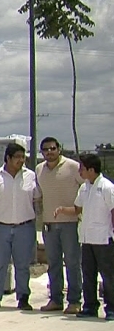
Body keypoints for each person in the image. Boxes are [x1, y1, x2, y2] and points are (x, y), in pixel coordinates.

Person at [0, 142, 39, 310]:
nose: (21, 160)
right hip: (0, 227)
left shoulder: (31, 176)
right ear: (8, 158)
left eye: (23, 157)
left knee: (23, 265)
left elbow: (37, 199)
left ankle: (23, 298)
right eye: (17, 157)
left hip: (24, 227)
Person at [54, 154, 114, 320]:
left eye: (82, 168)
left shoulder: (107, 187)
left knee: (108, 275)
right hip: (87, 239)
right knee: (88, 274)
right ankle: (90, 306)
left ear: (91, 170)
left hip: (103, 239)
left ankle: (111, 308)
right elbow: (78, 209)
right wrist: (62, 210)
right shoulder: (84, 187)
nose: (79, 171)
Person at [35, 137, 83, 314]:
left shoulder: (73, 167)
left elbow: (86, 190)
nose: (49, 152)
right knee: (53, 264)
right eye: (45, 149)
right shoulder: (39, 170)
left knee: (72, 263)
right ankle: (55, 300)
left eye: (53, 148)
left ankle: (75, 301)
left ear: (59, 149)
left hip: (70, 224)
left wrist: (77, 211)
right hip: (49, 225)